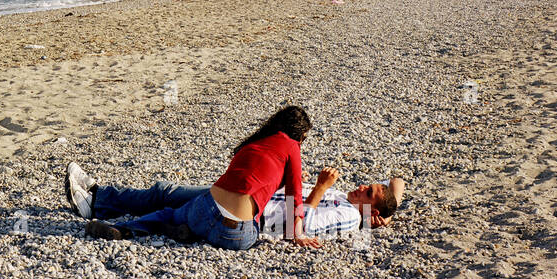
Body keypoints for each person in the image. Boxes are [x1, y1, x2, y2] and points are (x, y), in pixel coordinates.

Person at [64, 105, 325, 251]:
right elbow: (294, 192)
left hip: (206, 209)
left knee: (169, 210)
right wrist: (297, 234)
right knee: (170, 202)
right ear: (299, 136)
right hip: (236, 236)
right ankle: (174, 231)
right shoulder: (292, 146)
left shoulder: (252, 145)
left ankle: (125, 227)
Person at [261, 176, 404, 239]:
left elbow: (304, 228)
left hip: (258, 211)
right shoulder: (347, 199)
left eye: (368, 192)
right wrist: (388, 217)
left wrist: (321, 186)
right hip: (263, 193)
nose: (361, 187)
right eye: (368, 185)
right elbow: (397, 182)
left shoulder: (351, 216)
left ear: (372, 210)